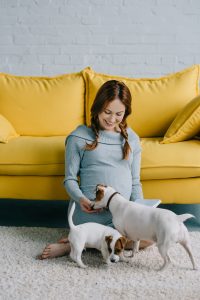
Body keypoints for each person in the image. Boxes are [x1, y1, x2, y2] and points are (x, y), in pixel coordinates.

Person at [39, 79, 153, 259]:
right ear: (98, 108)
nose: (112, 119)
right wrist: (81, 199)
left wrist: (141, 210)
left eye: (119, 114)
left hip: (121, 217)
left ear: (126, 113)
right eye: (107, 112)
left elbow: (135, 182)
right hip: (90, 213)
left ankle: (79, 242)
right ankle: (76, 244)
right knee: (118, 236)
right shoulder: (78, 136)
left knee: (151, 238)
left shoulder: (132, 139)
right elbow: (69, 179)